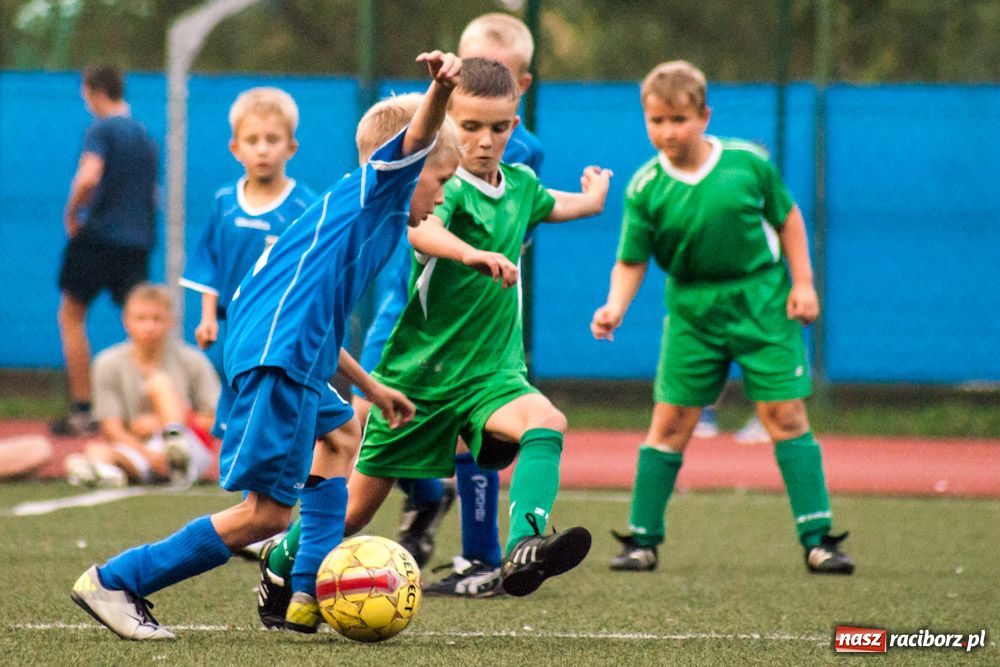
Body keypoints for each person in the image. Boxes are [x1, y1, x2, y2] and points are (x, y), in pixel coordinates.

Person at [70, 50, 465, 640]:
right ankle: (120, 580)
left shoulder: (350, 218)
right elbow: (420, 136)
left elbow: (316, 323)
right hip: (277, 358)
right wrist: (439, 90)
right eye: (440, 180)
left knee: (340, 436)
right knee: (267, 514)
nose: (442, 196)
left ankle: (305, 594)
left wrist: (372, 387)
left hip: (289, 352)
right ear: (410, 165)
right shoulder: (378, 191)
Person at [341, 57, 611, 600]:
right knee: (350, 515)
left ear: (515, 124)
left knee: (546, 421)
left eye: (499, 127)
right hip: (420, 380)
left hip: (492, 373)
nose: (485, 140)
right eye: (470, 127)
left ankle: (526, 545)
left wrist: (592, 201)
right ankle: (282, 560)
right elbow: (421, 232)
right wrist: (471, 254)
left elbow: (549, 203)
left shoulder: (520, 184)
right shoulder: (445, 188)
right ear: (447, 126)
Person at [590, 61, 854, 576]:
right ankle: (641, 540)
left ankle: (819, 539)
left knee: (787, 417)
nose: (667, 131)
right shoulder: (644, 188)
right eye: (656, 120)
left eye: (679, 119)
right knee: (670, 423)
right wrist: (614, 306)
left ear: (704, 116)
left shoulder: (747, 164)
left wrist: (803, 284)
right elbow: (632, 259)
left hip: (761, 303)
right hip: (692, 313)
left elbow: (789, 218)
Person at [180, 86, 316, 440]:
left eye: (272, 139)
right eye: (252, 139)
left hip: (282, 328)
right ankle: (243, 486)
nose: (262, 149)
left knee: (280, 411)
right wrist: (208, 317)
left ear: (291, 147)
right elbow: (210, 261)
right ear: (235, 148)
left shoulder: (304, 206)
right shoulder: (225, 202)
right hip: (233, 328)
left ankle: (280, 480)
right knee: (235, 409)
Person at [54, 65, 158, 436]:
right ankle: (151, 408)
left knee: (71, 315)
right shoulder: (145, 137)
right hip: (137, 241)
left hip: (98, 237)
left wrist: (72, 210)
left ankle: (83, 410)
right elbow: (153, 196)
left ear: (94, 91)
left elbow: (89, 175)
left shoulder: (101, 129)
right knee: (143, 323)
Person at [63, 284, 219, 488]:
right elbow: (112, 429)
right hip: (139, 447)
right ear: (126, 321)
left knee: (159, 384)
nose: (149, 327)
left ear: (170, 321)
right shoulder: (107, 363)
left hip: (191, 444)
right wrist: (147, 453)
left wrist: (161, 422)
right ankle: (114, 473)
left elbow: (214, 420)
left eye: (157, 319)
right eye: (141, 319)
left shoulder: (193, 360)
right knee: (95, 451)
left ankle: (175, 445)